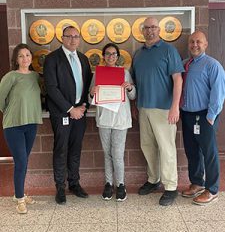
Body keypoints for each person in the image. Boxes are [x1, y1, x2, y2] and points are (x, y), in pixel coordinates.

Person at [131, 17, 184, 206]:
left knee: (166, 148)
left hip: (164, 109)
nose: (150, 31)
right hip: (143, 108)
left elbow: (178, 79)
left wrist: (175, 106)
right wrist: (135, 106)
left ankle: (170, 186)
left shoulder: (169, 50)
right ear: (142, 31)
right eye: (147, 28)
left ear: (159, 30)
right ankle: (153, 180)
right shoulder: (138, 54)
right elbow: (135, 84)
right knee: (148, 146)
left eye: (153, 27)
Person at [43, 26, 92, 204]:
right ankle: (60, 187)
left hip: (80, 112)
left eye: (76, 36)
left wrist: (84, 105)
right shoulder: (52, 59)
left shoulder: (83, 59)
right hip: (62, 112)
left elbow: (87, 85)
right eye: (69, 36)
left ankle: (74, 183)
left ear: (79, 39)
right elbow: (52, 88)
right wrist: (71, 109)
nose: (72, 40)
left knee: (75, 149)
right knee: (61, 149)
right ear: (62, 38)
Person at [181, 31, 225, 205]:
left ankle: (212, 189)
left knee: (209, 153)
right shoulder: (185, 65)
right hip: (187, 115)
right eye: (192, 42)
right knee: (192, 151)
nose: (195, 45)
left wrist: (211, 116)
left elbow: (219, 93)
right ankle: (197, 182)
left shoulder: (212, 65)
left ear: (205, 44)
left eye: (198, 42)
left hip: (205, 116)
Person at [89, 43, 136, 201]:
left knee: (117, 153)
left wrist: (129, 88)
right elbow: (90, 99)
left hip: (120, 119)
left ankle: (121, 184)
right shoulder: (97, 74)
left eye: (114, 54)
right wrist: (92, 93)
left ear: (118, 56)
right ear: (103, 56)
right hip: (104, 119)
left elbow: (133, 96)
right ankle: (108, 183)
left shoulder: (125, 73)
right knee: (107, 153)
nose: (111, 56)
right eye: (108, 54)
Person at [0, 43, 42, 214]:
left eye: (27, 55)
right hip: (14, 126)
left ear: (31, 57)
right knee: (21, 162)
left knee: (23, 162)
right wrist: (11, 112)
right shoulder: (11, 76)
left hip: (31, 124)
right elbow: (0, 99)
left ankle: (20, 193)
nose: (25, 58)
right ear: (16, 60)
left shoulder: (36, 77)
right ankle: (19, 199)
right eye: (21, 56)